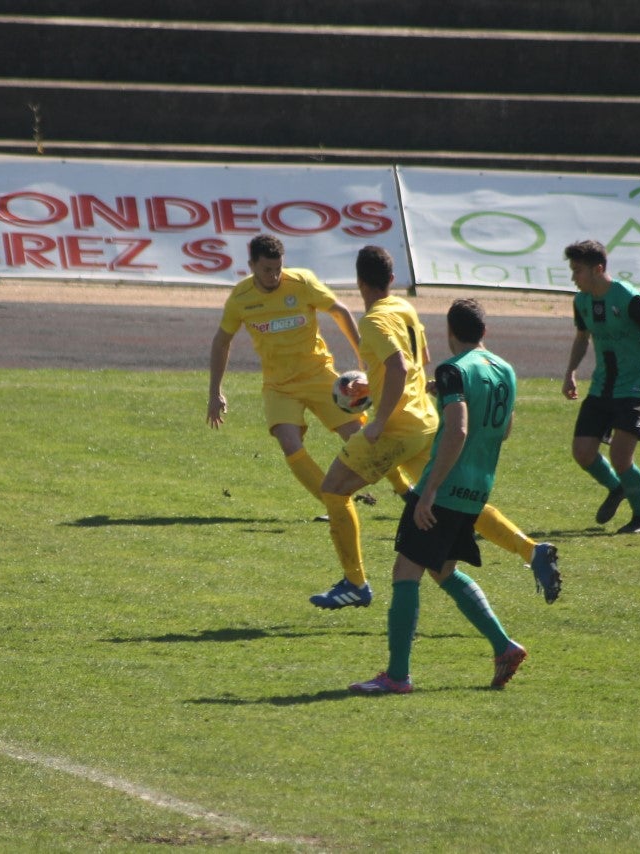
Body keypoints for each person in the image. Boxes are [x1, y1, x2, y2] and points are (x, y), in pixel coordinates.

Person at [311, 246, 560, 611]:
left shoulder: (373, 320)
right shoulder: (405, 308)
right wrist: (377, 387)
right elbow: (419, 361)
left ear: (360, 282)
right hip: (426, 420)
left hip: (397, 428)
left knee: (333, 490)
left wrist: (378, 419)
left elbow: (397, 367)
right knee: (455, 498)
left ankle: (355, 582)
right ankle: (530, 548)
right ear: (392, 279)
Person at [349, 298, 530, 693]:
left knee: (405, 572)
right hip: (478, 487)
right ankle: (504, 645)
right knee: (442, 569)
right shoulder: (506, 370)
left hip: (445, 486)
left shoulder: (452, 370)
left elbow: (458, 430)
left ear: (450, 332)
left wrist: (428, 490)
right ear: (484, 331)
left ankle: (397, 677)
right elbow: (504, 428)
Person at [207, 234, 364, 513]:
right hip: (279, 386)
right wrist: (215, 391)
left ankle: (406, 491)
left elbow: (339, 311)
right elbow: (221, 341)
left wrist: (364, 357)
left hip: (318, 374)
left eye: (278, 268)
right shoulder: (241, 298)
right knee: (289, 443)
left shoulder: (301, 282)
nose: (274, 275)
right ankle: (334, 504)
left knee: (361, 439)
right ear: (251, 265)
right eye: (267, 269)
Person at [562, 239, 640, 534]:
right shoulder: (581, 301)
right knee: (582, 453)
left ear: (599, 269)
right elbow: (582, 338)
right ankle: (617, 488)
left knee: (621, 459)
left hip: (633, 388)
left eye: (578, 271)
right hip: (601, 388)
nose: (574, 277)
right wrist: (570, 371)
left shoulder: (627, 298)